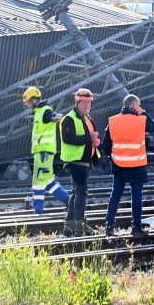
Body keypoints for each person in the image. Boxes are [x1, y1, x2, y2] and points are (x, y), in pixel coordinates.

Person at [103, 93, 154, 238]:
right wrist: (144, 113)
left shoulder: (113, 121)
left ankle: (109, 227)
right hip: (137, 165)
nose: (140, 108)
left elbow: (106, 146)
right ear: (133, 105)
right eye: (138, 106)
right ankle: (136, 227)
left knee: (115, 196)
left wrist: (114, 157)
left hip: (119, 165)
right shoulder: (141, 120)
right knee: (136, 196)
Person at [59, 88, 100, 237]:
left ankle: (69, 225)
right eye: (84, 102)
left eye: (89, 103)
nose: (87, 105)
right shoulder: (69, 119)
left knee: (76, 193)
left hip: (85, 162)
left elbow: (88, 138)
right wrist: (89, 138)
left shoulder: (88, 119)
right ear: (77, 102)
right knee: (81, 192)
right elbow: (68, 139)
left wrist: (95, 142)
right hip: (75, 161)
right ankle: (80, 226)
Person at [22, 86, 70, 214]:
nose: (27, 106)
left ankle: (37, 210)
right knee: (48, 181)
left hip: (43, 152)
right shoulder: (39, 112)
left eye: (28, 103)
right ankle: (68, 200)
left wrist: (59, 117)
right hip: (43, 152)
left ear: (33, 100)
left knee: (38, 181)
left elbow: (54, 116)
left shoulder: (45, 110)